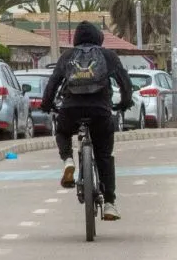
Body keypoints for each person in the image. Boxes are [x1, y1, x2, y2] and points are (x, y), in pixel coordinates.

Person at [40, 21, 134, 221]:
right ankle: (109, 203)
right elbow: (125, 83)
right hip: (100, 111)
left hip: (71, 109)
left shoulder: (67, 56)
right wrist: (125, 103)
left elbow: (53, 84)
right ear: (99, 37)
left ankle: (68, 160)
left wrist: (46, 105)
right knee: (104, 156)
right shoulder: (108, 56)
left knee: (63, 132)